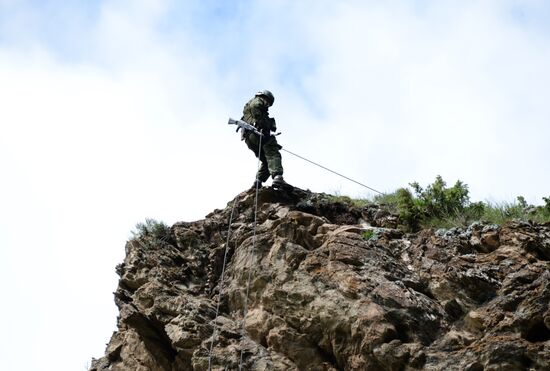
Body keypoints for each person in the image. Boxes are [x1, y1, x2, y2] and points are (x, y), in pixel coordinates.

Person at [241, 90, 288, 189]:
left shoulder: (251, 108)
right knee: (273, 152)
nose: (267, 105)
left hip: (249, 138)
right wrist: (262, 124)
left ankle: (258, 182)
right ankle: (278, 177)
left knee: (267, 160)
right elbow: (256, 106)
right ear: (263, 97)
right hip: (256, 134)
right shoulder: (257, 101)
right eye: (268, 102)